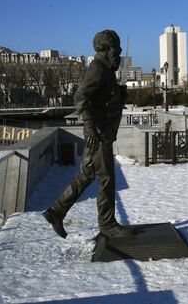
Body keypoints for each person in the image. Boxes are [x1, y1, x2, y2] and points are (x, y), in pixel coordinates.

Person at [43, 30, 133, 239]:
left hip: (102, 131)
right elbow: (81, 97)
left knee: (87, 174)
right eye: (116, 48)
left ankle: (56, 211)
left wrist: (119, 95)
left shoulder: (107, 70)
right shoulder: (98, 68)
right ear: (106, 48)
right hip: (99, 132)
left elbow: (102, 99)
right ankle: (108, 224)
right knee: (107, 178)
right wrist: (91, 125)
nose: (119, 52)